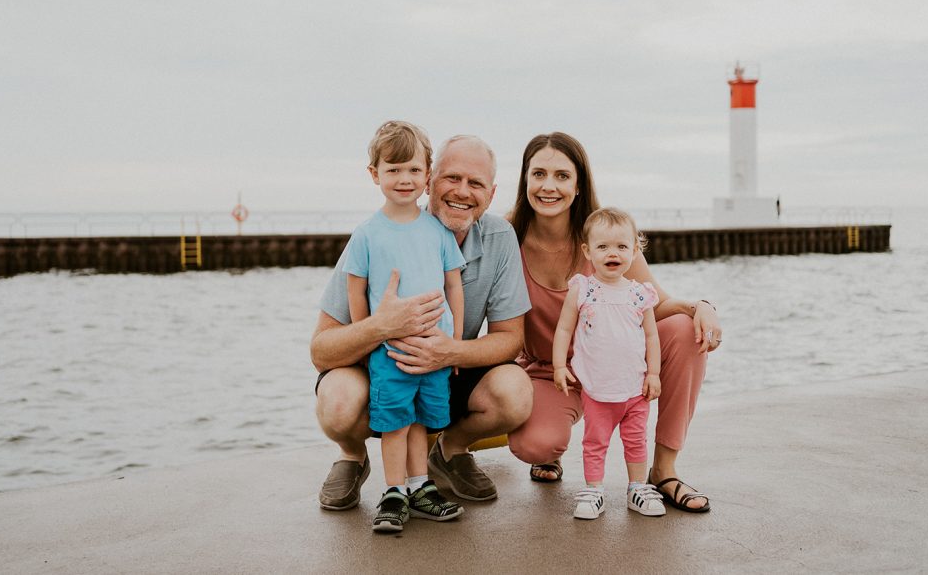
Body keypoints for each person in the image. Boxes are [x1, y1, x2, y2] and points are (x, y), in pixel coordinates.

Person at [310, 134, 533, 517]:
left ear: (491, 194)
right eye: (452, 178)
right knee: (338, 400)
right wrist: (379, 327)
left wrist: (450, 350)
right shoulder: (374, 235)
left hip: (447, 367)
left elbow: (510, 340)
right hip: (384, 365)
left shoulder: (500, 238)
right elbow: (321, 350)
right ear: (431, 181)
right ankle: (351, 455)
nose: (462, 192)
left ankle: (449, 450)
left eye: (476, 183)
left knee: (515, 393)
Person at [507, 132, 723, 513]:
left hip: (619, 366)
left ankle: (663, 471)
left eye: (561, 175)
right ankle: (553, 449)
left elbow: (655, 305)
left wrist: (699, 306)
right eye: (538, 174)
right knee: (534, 444)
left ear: (578, 185)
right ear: (525, 180)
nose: (548, 186)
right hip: (555, 373)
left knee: (687, 333)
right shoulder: (506, 236)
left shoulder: (606, 237)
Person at [343, 121, 466, 532]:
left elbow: (453, 285)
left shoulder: (437, 230)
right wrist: (365, 340)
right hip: (390, 352)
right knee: (395, 423)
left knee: (422, 421)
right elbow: (355, 290)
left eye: (414, 169)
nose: (404, 179)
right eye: (393, 169)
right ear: (374, 174)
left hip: (435, 350)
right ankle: (393, 492)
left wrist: (455, 343)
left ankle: (421, 487)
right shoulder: (367, 234)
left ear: (427, 175)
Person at [552, 207, 666, 520]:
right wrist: (560, 365)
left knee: (636, 440)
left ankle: (637, 487)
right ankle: (594, 489)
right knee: (595, 442)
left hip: (635, 388)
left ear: (634, 250)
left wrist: (654, 373)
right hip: (598, 387)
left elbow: (652, 337)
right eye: (602, 247)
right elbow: (564, 329)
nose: (611, 253)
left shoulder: (640, 294)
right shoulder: (583, 289)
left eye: (621, 246)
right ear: (588, 251)